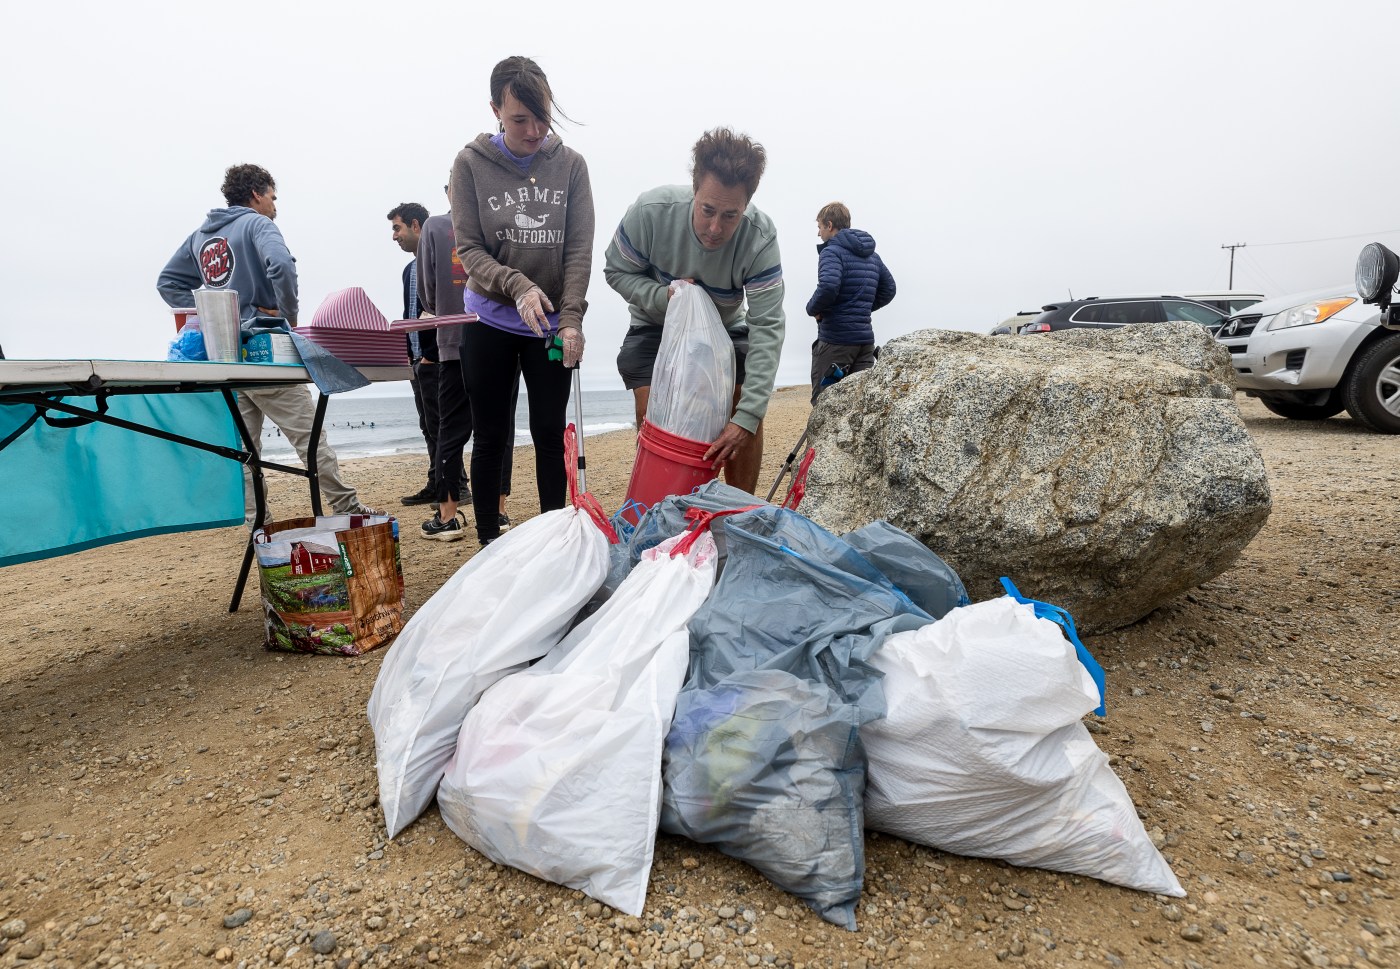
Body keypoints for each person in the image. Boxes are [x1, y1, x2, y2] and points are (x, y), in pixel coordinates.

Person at [156, 163, 377, 523]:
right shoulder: (258, 223)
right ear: (257, 194)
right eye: (273, 197)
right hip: (265, 350)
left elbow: (168, 283)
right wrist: (286, 315)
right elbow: (282, 266)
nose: (275, 205)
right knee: (309, 439)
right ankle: (346, 507)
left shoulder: (200, 237)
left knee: (244, 452)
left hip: (225, 358)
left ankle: (259, 524)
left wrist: (215, 313)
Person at [436, 55, 591, 546]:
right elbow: (470, 250)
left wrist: (571, 319)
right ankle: (487, 541)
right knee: (491, 436)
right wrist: (519, 286)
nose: (533, 130)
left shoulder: (570, 166)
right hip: (490, 323)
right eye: (520, 119)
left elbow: (578, 249)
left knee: (549, 435)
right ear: (496, 110)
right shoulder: (470, 164)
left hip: (548, 328)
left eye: (541, 116)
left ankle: (552, 542)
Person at [606, 127, 784, 494]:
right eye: (707, 210)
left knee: (741, 409)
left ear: (747, 205)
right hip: (655, 323)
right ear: (693, 189)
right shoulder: (650, 212)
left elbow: (767, 327)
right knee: (654, 408)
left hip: (725, 327)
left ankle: (736, 513)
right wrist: (663, 297)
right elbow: (615, 270)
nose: (715, 228)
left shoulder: (760, 239)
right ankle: (660, 505)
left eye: (731, 215)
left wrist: (747, 418)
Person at [417, 181, 520, 541]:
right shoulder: (501, 224)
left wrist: (445, 306)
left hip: (452, 338)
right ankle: (500, 511)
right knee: (499, 428)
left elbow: (426, 290)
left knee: (451, 429)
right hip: (501, 336)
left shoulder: (434, 227)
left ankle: (447, 515)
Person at [805, 201, 896, 402]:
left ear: (829, 225)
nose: (818, 233)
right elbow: (889, 289)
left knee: (825, 403)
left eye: (819, 227)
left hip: (836, 342)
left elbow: (828, 286)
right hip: (864, 344)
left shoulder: (831, 251)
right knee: (858, 404)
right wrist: (861, 309)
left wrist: (812, 309)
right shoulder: (873, 256)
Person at [387, 202, 439, 506]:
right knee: (427, 426)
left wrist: (431, 354)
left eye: (398, 228)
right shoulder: (409, 269)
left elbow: (442, 309)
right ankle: (436, 482)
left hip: (436, 358)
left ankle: (455, 485)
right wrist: (408, 354)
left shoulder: (438, 260)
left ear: (416, 225)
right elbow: (410, 314)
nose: (395, 236)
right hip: (417, 361)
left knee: (441, 424)